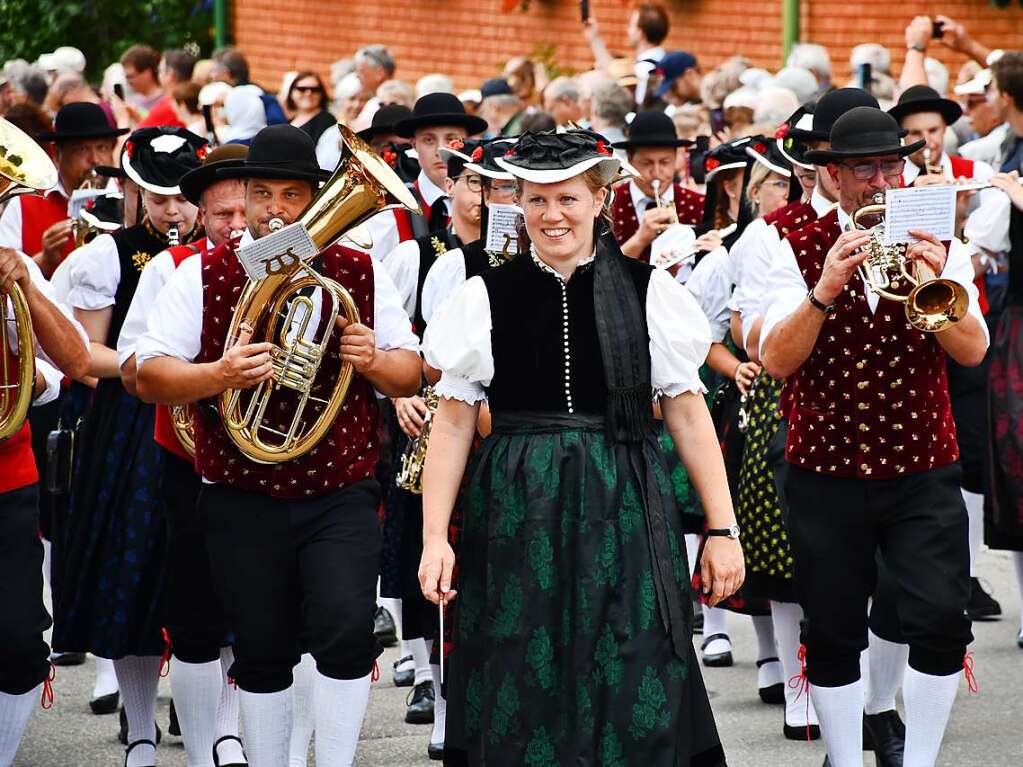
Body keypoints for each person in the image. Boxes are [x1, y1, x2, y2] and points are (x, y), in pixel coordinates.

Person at [419, 128, 740, 766]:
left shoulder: (652, 291)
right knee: (521, 662)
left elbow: (687, 411)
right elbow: (453, 423)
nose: (551, 215)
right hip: (518, 508)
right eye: (535, 200)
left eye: (566, 198)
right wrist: (434, 538)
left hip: (625, 500)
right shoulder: (485, 291)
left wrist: (721, 528)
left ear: (599, 199)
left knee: (633, 660)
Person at [134, 124, 421, 767]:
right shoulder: (200, 274)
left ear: (314, 202)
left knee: (347, 633)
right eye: (262, 194)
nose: (274, 211)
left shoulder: (358, 271)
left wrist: (373, 359)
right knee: (262, 649)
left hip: (339, 487)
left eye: (291, 196)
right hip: (240, 491)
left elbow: (412, 371)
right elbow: (147, 375)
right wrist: (219, 375)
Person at [760, 106, 986, 767]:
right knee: (830, 629)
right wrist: (824, 286)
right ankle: (844, 758)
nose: (882, 182)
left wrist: (930, 279)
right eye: (866, 169)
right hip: (824, 470)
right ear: (833, 175)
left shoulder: (936, 234)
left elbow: (971, 350)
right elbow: (776, 359)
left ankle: (916, 759)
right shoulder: (786, 238)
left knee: (942, 618)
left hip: (921, 466)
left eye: (892, 166)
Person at [53, 126, 206, 767]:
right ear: (134, 192)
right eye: (159, 197)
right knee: (132, 573)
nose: (173, 212)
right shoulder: (106, 256)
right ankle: (140, 727)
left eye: (182, 200)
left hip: (208, 415)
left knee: (209, 578)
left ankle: (211, 726)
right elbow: (85, 357)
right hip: (132, 425)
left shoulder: (219, 254)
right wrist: (155, 360)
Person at [114, 143, 249, 767]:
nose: (237, 226)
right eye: (222, 215)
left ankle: (229, 728)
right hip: (185, 452)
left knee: (253, 603)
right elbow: (137, 361)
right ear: (200, 215)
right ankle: (194, 737)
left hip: (267, 459)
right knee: (194, 598)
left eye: (246, 211)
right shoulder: (171, 268)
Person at [0, 242, 90, 767]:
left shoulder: (12, 268)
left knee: (17, 640)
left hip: (6, 479)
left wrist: (26, 289)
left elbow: (74, 359)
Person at [0, 102, 125, 278]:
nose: (95, 159)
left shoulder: (128, 199)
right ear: (57, 155)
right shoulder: (22, 205)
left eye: (102, 148)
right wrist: (45, 260)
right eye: (82, 149)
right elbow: (4, 280)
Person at [362, 93, 487, 263]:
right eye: (429, 140)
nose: (439, 151)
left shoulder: (487, 204)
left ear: (467, 142)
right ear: (414, 145)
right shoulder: (390, 211)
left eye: (452, 140)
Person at [609, 109, 704, 263]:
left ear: (675, 159)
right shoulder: (608, 207)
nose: (656, 172)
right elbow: (601, 274)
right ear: (630, 161)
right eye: (646, 163)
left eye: (665, 162)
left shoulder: (698, 204)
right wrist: (640, 240)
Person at [137, 49, 196, 129]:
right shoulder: (194, 99)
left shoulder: (171, 105)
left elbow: (132, 139)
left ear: (170, 74)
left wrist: (123, 119)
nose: (158, 75)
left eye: (160, 71)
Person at [288, 71, 336, 148]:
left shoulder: (327, 120)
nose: (308, 93)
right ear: (292, 92)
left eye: (314, 89)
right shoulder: (289, 120)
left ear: (322, 94)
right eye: (302, 89)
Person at [120, 45, 164, 115]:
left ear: (147, 73)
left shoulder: (168, 101)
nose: (128, 81)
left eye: (130, 77)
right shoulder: (132, 101)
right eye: (126, 77)